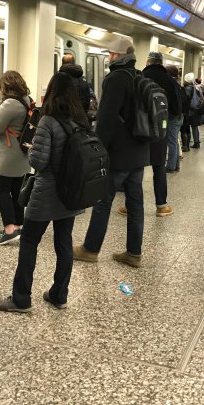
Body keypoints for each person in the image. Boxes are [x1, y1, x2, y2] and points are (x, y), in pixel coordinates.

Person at [0, 72, 88, 312]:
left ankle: (21, 298)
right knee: (63, 242)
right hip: (72, 192)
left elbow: (39, 160)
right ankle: (59, 294)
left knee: (29, 241)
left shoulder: (48, 121)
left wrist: (34, 147)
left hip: (47, 192)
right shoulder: (80, 120)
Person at [73, 46, 149, 268]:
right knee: (136, 204)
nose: (108, 57)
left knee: (102, 201)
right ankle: (134, 253)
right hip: (139, 152)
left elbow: (105, 119)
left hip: (119, 154)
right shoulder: (139, 76)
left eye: (110, 53)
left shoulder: (116, 78)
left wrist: (97, 149)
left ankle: (90, 249)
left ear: (117, 55)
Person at [118, 51, 175, 217]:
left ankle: (130, 206)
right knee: (159, 168)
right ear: (161, 62)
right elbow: (178, 107)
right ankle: (161, 206)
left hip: (140, 129)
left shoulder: (138, 78)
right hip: (160, 130)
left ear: (148, 62)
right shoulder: (169, 80)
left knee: (136, 169)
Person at [0, 70, 31, 245]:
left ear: (6, 86)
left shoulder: (10, 104)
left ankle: (9, 229)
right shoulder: (24, 100)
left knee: (1, 190)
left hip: (8, 154)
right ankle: (19, 225)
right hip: (21, 154)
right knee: (16, 190)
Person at [184, 72, 203, 148]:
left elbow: (186, 99)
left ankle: (189, 144)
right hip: (197, 108)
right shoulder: (197, 87)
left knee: (188, 126)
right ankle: (197, 141)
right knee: (195, 126)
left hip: (191, 110)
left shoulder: (188, 88)